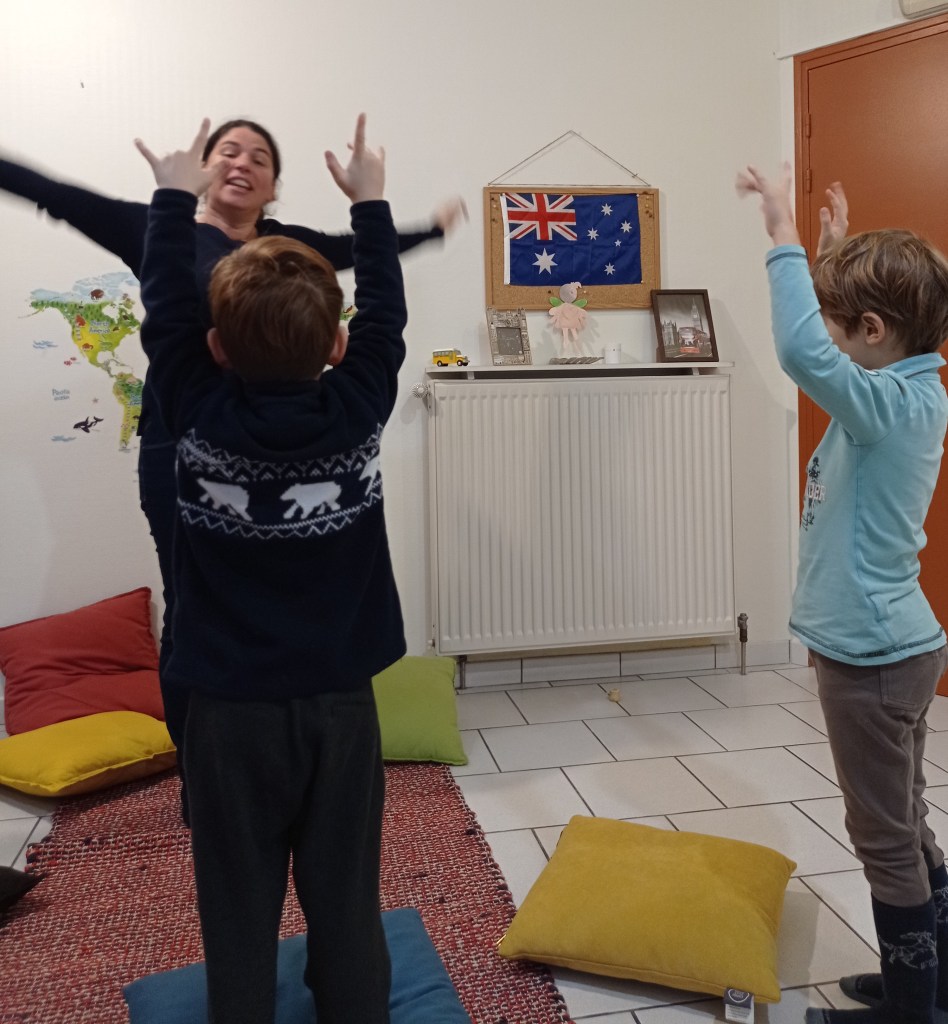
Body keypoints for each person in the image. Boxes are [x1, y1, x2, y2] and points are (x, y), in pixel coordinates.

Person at [0, 125, 465, 792]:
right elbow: (58, 196)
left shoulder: (286, 250)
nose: (243, 162)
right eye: (229, 150)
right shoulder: (158, 229)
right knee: (195, 603)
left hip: (298, 439)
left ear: (273, 186)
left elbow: (363, 259)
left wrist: (424, 228)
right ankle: (207, 767)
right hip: (188, 445)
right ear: (202, 169)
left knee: (297, 593)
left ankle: (296, 744)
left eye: (261, 157)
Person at [134, 113, 402, 1023]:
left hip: (227, 713)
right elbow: (387, 315)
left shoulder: (193, 406)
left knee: (236, 906)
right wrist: (369, 202)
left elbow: (167, 310)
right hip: (341, 707)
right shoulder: (359, 402)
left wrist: (174, 198)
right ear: (336, 347)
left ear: (214, 349)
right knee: (347, 899)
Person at [737, 164, 948, 1024]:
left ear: (871, 330)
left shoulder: (887, 404)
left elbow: (802, 352)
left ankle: (911, 1009)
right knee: (906, 817)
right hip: (897, 646)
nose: (826, 337)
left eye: (840, 320)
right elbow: (836, 345)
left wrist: (782, 237)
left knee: (883, 837)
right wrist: (834, 254)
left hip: (870, 657)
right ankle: (932, 984)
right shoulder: (908, 387)